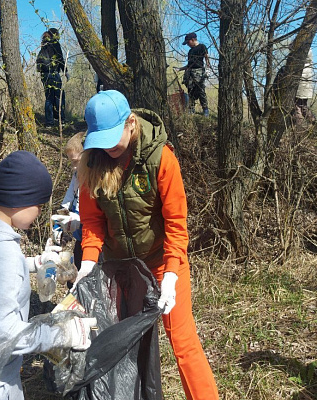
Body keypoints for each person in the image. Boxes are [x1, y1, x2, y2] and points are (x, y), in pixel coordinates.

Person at [75, 90, 219, 399]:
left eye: (114, 137)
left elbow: (177, 226)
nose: (109, 147)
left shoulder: (160, 158)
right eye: (101, 140)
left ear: (131, 123)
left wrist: (170, 277)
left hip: (161, 264)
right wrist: (88, 262)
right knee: (127, 346)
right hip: (121, 271)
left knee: (182, 342)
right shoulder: (92, 162)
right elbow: (92, 222)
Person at [0, 151, 96, 399]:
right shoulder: (0, 254)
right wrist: (62, 334)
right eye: (38, 204)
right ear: (19, 200)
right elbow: (3, 334)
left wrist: (34, 263)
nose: (38, 213)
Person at [51, 131, 86, 278]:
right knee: (76, 269)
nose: (73, 167)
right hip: (79, 237)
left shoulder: (93, 180)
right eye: (71, 162)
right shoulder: (76, 176)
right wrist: (60, 221)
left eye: (76, 162)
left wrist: (78, 220)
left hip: (92, 238)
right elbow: (67, 200)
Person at [36, 28, 69, 127]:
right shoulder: (55, 44)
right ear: (55, 35)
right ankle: (61, 120)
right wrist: (66, 71)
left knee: (49, 98)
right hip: (53, 73)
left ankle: (49, 122)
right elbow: (60, 59)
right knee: (59, 96)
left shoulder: (44, 45)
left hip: (44, 75)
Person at [174, 32, 211, 117]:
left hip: (199, 72)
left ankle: (205, 110)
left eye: (188, 42)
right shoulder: (190, 51)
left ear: (193, 40)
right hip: (190, 73)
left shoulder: (202, 47)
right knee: (190, 91)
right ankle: (191, 109)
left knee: (201, 91)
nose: (187, 44)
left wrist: (208, 69)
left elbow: (206, 58)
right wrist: (179, 69)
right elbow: (189, 65)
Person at [295, 48, 316, 123]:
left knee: (297, 108)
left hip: (299, 89)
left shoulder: (298, 64)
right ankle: (314, 122)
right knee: (304, 107)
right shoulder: (309, 63)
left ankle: (299, 128)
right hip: (306, 90)